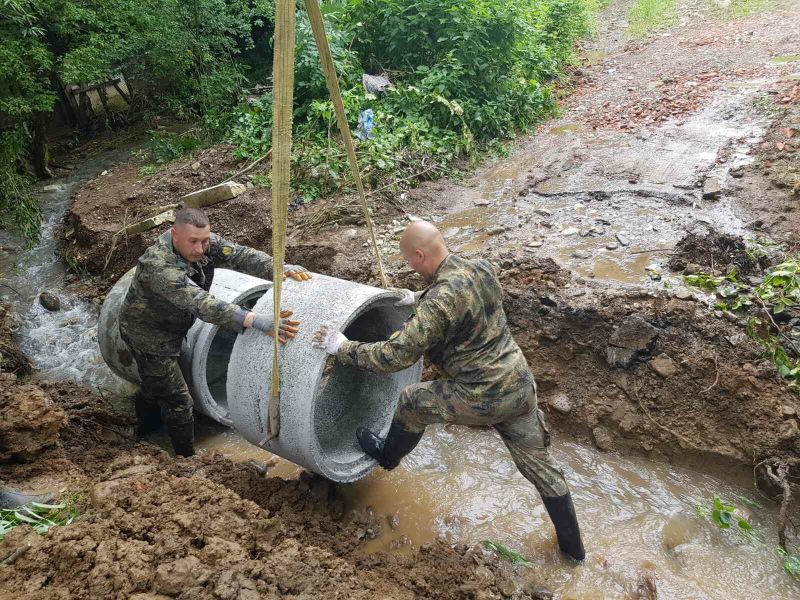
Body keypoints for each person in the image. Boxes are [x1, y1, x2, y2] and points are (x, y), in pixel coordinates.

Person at [312, 221, 585, 561]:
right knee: (543, 470)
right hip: (518, 384)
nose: (410, 267)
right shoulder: (479, 266)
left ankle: (387, 455)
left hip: (482, 394)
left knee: (412, 401)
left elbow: (394, 356)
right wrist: (418, 299)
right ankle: (574, 554)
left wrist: (342, 347)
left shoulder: (440, 301)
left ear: (421, 254)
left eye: (410, 261)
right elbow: (458, 297)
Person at [119, 207, 309, 457]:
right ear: (174, 235)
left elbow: (241, 255)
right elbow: (201, 303)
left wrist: (279, 269)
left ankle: (145, 420)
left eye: (204, 241)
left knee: (158, 385)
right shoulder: (158, 266)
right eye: (193, 242)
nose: (200, 249)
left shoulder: (204, 243)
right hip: (149, 336)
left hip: (174, 326)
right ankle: (185, 460)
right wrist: (256, 320)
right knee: (179, 401)